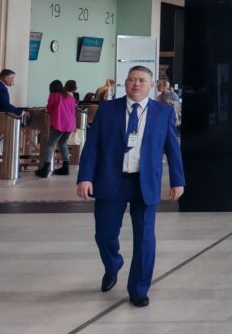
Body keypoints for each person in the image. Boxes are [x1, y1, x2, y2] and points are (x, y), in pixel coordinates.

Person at [76, 66, 185, 307]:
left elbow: (172, 148)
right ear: (125, 83)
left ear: (152, 85)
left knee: (145, 239)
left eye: (142, 80)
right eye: (132, 79)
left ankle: (139, 289)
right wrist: (85, 177)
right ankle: (113, 264)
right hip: (111, 181)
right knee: (104, 235)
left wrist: (178, 180)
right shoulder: (107, 110)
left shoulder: (163, 112)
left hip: (144, 183)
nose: (136, 84)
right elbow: (92, 146)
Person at [38, 80, 77, 177]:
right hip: (70, 124)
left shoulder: (54, 96)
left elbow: (49, 109)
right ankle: (65, 168)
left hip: (60, 123)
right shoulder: (70, 97)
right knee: (63, 143)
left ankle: (45, 169)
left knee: (50, 144)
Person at [0, 69, 24, 165]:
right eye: (12, 78)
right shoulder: (1, 88)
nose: (13, 81)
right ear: (6, 78)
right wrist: (21, 112)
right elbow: (5, 105)